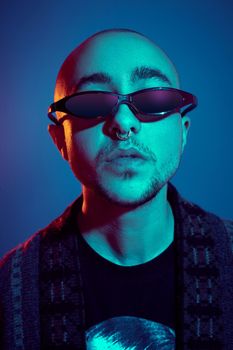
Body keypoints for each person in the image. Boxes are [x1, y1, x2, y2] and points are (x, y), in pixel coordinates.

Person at [0, 28, 232, 350]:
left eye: (153, 99)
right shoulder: (9, 287)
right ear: (60, 142)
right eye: (92, 102)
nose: (123, 122)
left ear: (183, 133)